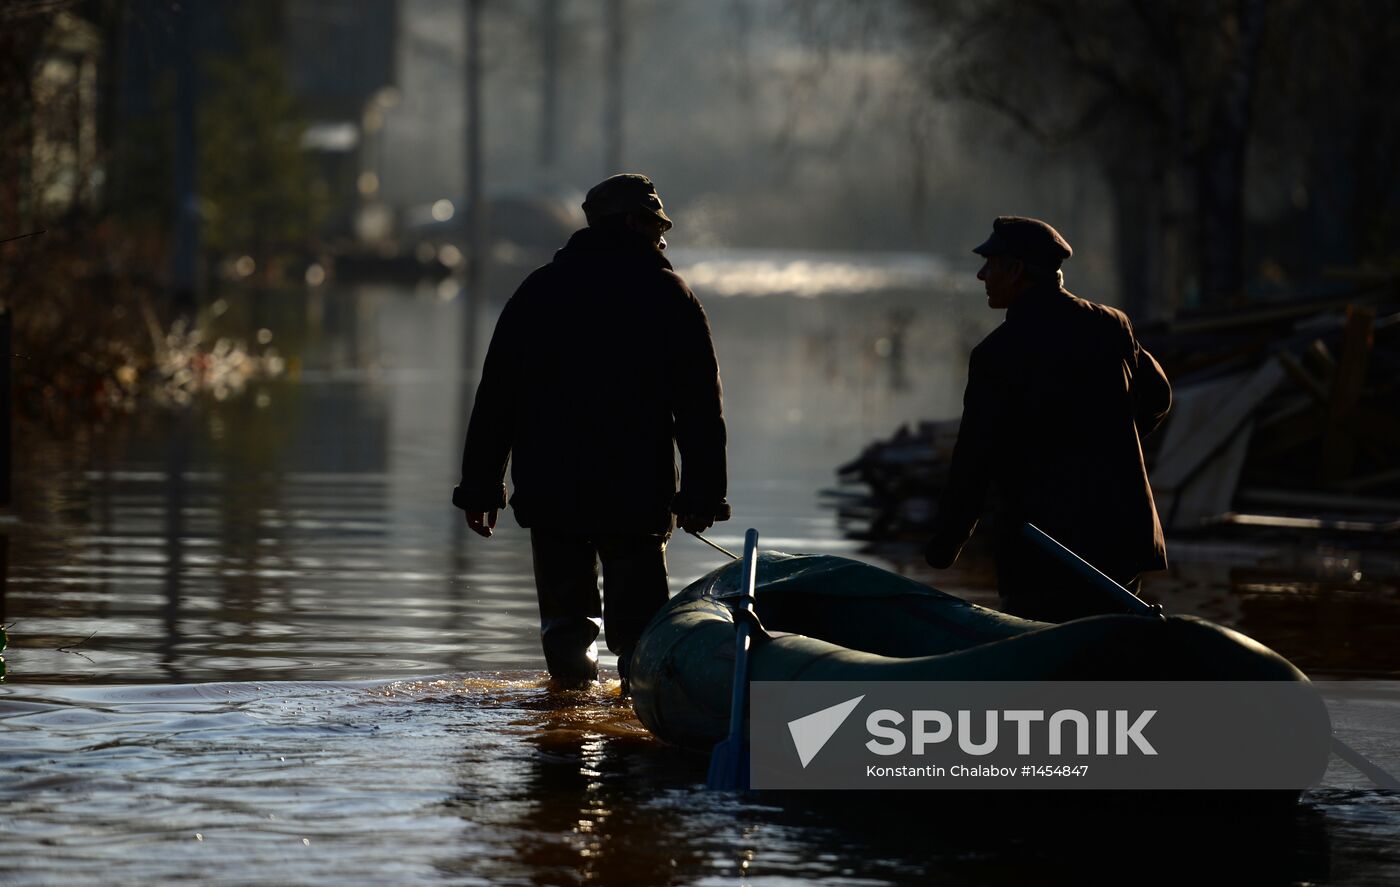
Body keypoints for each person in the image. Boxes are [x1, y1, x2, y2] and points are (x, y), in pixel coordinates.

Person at [452, 173, 730, 690]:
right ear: (630, 223)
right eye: (655, 226)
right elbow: (698, 409)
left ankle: (565, 726)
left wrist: (481, 486)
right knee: (641, 634)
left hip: (552, 491)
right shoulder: (669, 296)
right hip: (635, 494)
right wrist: (703, 494)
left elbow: (496, 399)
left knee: (565, 629)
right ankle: (635, 729)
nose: (662, 238)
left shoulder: (539, 291)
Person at [923, 216, 1172, 622]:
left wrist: (946, 545)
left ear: (1016, 270)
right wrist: (1113, 441)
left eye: (991, 264)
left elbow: (974, 461)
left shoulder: (997, 354)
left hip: (1043, 548)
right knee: (1114, 655)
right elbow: (1158, 398)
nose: (981, 275)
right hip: (1120, 537)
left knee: (1045, 661)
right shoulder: (1112, 325)